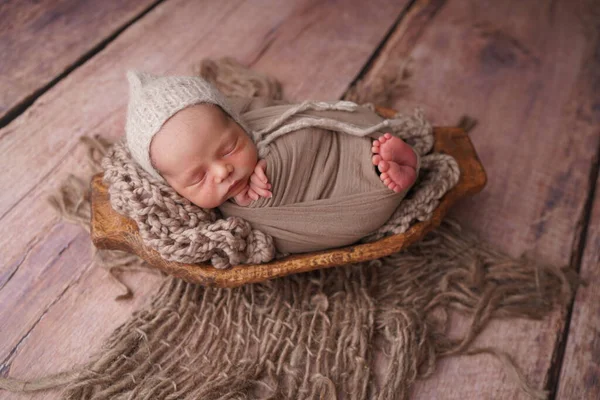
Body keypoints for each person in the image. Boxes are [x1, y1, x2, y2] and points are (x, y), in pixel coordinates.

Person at [125, 70, 421, 254]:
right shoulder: (208, 224)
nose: (222, 171)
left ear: (237, 122)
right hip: (331, 208)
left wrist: (269, 160)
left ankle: (374, 156)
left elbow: (284, 116)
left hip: (321, 148)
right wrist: (245, 202)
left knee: (289, 153)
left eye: (229, 148)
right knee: (266, 198)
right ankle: (384, 180)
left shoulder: (247, 118)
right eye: (198, 177)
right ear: (171, 187)